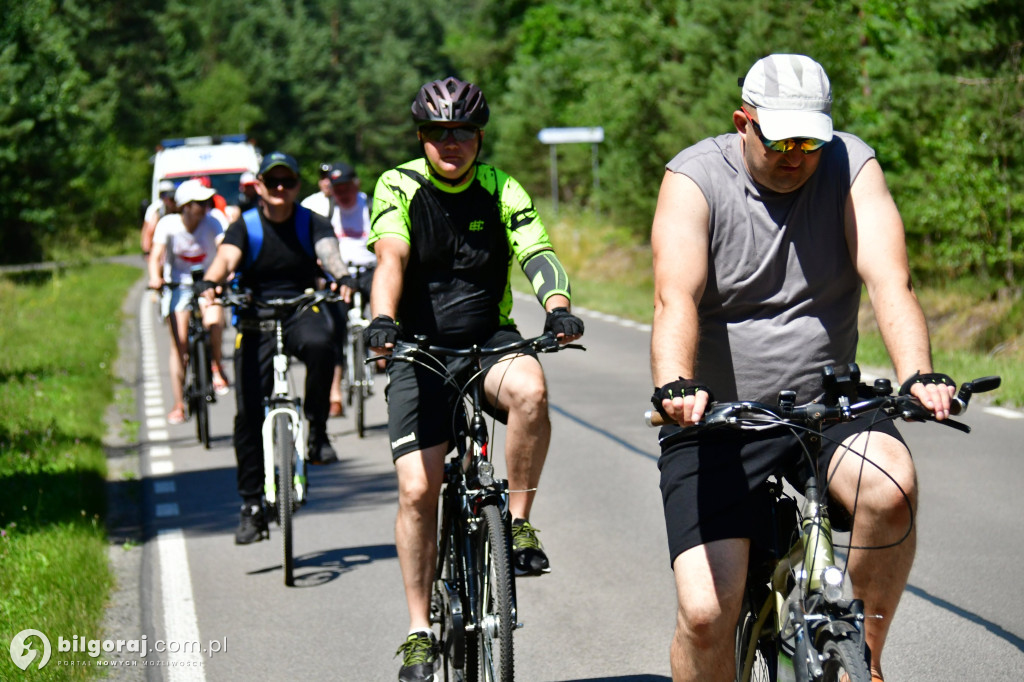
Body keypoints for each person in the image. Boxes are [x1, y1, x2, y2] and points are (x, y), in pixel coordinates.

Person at [649, 54, 955, 682]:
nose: (796, 156)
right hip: (719, 418)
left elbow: (889, 280)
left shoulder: (850, 164)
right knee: (708, 614)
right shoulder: (694, 177)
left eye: (810, 141)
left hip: (827, 407)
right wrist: (677, 384)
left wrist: (918, 372)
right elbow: (673, 295)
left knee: (891, 487)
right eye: (780, 139)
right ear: (743, 122)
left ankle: (857, 660)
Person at [364, 76, 584, 682]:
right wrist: (382, 318)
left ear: (479, 136)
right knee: (417, 491)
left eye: (462, 131)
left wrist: (558, 304)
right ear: (422, 137)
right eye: (439, 133)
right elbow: (390, 257)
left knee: (532, 391)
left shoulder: (500, 188)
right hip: (418, 345)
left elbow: (536, 253)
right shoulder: (400, 185)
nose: (451, 142)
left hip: (490, 340)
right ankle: (417, 629)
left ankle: (516, 523)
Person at [200, 151, 355, 545]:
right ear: (260, 187)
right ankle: (251, 506)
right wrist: (211, 282)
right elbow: (226, 259)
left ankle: (317, 431)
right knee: (248, 413)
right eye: (273, 183)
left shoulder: (311, 222)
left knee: (323, 345)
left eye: (287, 182)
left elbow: (329, 254)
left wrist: (342, 277)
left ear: (297, 186)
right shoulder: (246, 225)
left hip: (301, 307)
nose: (280, 189)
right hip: (256, 317)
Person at [147, 179, 230, 424]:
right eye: (200, 203)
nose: (205, 207)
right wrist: (155, 278)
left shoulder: (213, 222)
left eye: (207, 202)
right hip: (178, 286)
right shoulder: (168, 225)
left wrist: (225, 273)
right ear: (185, 206)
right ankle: (178, 404)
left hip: (207, 283)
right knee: (179, 345)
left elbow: (223, 249)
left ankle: (216, 366)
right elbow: (156, 256)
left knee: (214, 320)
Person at [323, 161, 376, 417]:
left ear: (356, 184)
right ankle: (335, 393)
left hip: (370, 270)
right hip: (341, 275)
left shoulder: (371, 206)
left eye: (346, 187)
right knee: (335, 331)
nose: (342, 194)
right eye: (337, 189)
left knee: (384, 304)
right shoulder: (328, 211)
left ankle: (382, 351)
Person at [141, 179, 177, 256]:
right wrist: (147, 251)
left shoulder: (155, 207)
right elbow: (149, 230)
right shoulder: (157, 209)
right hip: (160, 245)